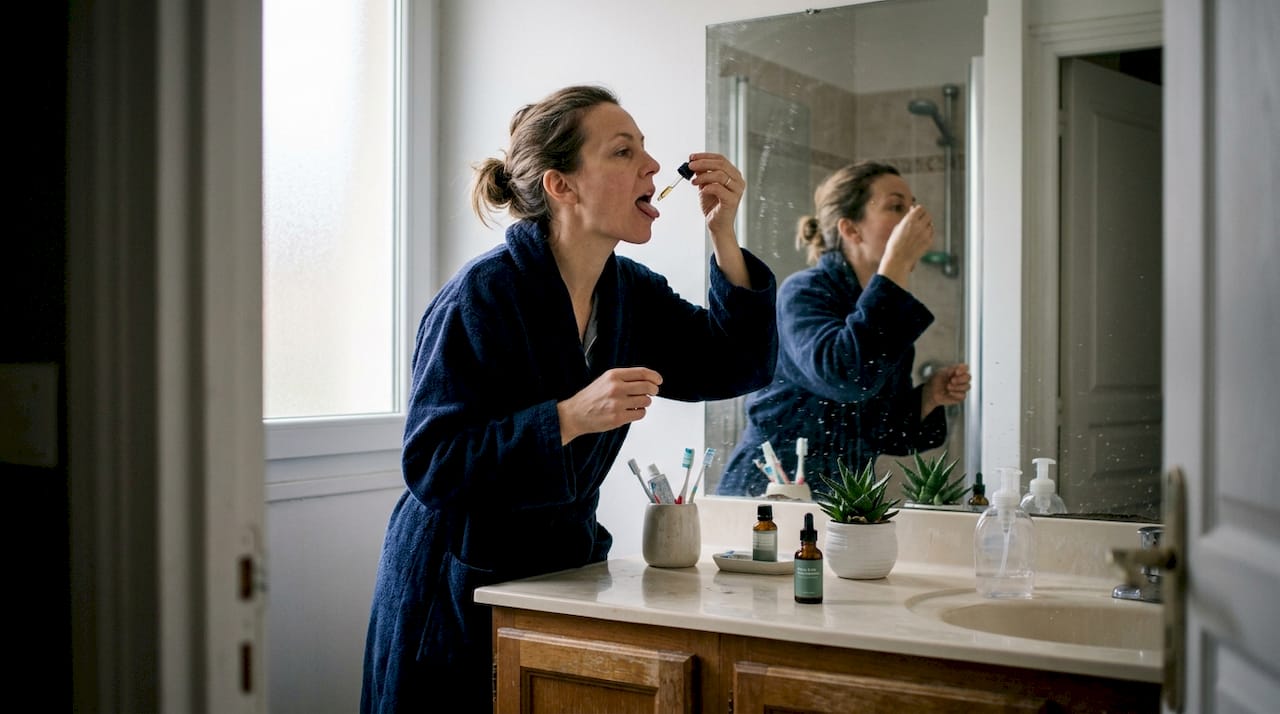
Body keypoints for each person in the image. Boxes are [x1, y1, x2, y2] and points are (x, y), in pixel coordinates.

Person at [360, 85, 778, 713]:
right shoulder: (482, 298)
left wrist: (724, 236)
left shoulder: (629, 295)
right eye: (623, 151)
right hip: (453, 583)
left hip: (559, 575)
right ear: (563, 186)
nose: (654, 167)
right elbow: (432, 464)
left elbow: (736, 365)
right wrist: (566, 419)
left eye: (646, 150)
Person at [716, 160, 969, 497]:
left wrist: (928, 397)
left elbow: (881, 429)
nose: (912, 217)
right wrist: (894, 266)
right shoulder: (803, 294)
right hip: (766, 497)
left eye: (913, 206)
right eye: (897, 206)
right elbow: (846, 376)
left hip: (836, 505)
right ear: (851, 229)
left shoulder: (884, 307)